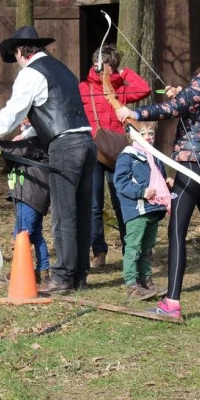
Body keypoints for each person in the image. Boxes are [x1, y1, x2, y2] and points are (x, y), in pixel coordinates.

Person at [115, 40, 200, 321]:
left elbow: (174, 108)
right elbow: (193, 108)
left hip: (190, 166)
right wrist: (182, 96)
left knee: (176, 231)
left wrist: (134, 113)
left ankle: (171, 304)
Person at [0, 25, 96, 294]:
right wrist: (28, 133)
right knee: (81, 212)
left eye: (15, 56)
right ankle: (79, 276)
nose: (16, 61)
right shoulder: (62, 70)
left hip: (65, 147)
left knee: (64, 214)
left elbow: (13, 113)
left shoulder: (30, 73)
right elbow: (55, 110)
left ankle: (62, 278)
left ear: (20, 51)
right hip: (87, 143)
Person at [79, 45, 152, 267]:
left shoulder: (119, 89)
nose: (100, 69)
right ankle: (98, 251)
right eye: (97, 64)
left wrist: (122, 73)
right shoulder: (84, 88)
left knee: (122, 202)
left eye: (105, 65)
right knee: (94, 205)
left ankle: (129, 249)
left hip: (119, 152)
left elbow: (144, 89)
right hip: (94, 151)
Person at [113, 121, 171, 301]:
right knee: (134, 247)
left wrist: (167, 183)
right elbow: (121, 182)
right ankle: (132, 286)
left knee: (147, 247)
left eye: (151, 134)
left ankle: (146, 281)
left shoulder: (154, 157)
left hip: (153, 208)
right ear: (132, 136)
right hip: (137, 210)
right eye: (143, 133)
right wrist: (141, 192)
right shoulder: (128, 157)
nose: (148, 137)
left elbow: (158, 178)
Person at [0, 120, 51, 285]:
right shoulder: (39, 142)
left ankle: (19, 272)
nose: (22, 128)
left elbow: (15, 149)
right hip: (32, 194)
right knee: (35, 234)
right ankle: (43, 271)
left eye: (25, 125)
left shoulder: (34, 142)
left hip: (30, 195)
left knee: (21, 233)